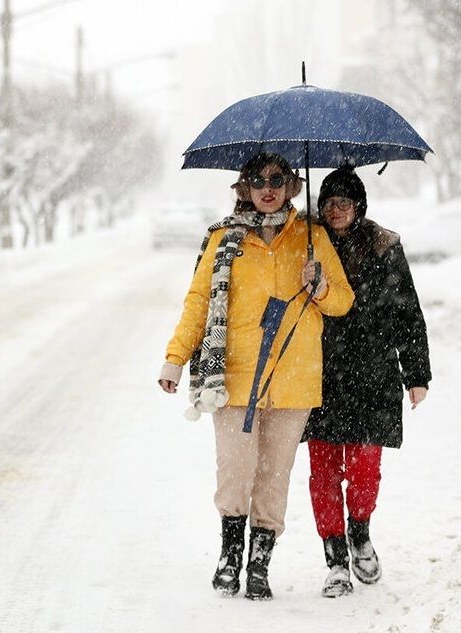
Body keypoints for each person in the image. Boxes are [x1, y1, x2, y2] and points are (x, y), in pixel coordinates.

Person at [158, 152, 354, 601]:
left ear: (290, 186)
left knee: (274, 476)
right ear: (244, 187)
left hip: (294, 377)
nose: (269, 188)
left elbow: (342, 301)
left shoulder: (312, 237)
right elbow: (199, 301)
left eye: (278, 180)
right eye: (259, 180)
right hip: (235, 376)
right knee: (236, 470)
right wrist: (175, 357)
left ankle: (260, 564)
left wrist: (319, 285)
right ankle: (229, 558)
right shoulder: (224, 238)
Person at [304, 166, 432, 598]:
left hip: (373, 373)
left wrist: (416, 374)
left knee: (364, 468)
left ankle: (360, 532)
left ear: (359, 205)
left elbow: (407, 312)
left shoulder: (385, 247)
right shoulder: (308, 245)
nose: (335, 210)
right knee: (323, 470)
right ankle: (335, 557)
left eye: (343, 202)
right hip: (319, 373)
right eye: (328, 203)